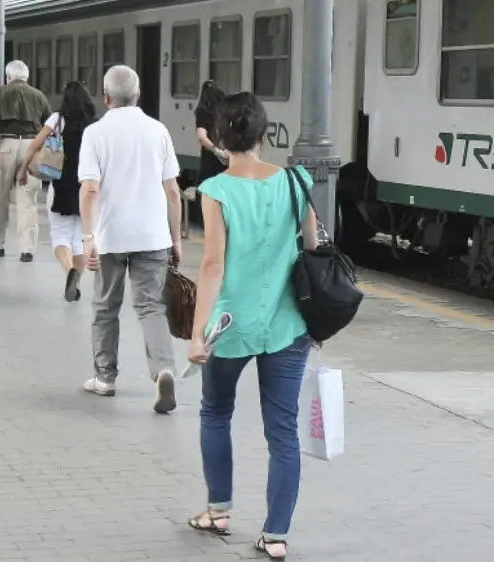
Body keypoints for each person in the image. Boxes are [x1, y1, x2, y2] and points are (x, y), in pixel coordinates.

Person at [185, 92, 319, 561]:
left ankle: (218, 512)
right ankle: (276, 535)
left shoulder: (216, 190)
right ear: (264, 133)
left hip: (231, 325)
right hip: (287, 324)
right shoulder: (297, 181)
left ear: (221, 138)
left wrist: (198, 331)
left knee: (215, 413)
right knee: (282, 430)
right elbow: (313, 246)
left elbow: (213, 265)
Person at [77, 65, 183, 414]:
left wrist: (88, 237)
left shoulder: (95, 133)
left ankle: (104, 378)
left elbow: (89, 188)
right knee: (151, 306)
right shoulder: (158, 131)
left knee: (106, 306)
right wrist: (176, 238)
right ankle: (164, 369)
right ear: (138, 95)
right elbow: (172, 191)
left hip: (110, 234)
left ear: (105, 98)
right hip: (152, 234)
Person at [18, 81, 96, 302]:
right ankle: (76, 283)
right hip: (86, 186)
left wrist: (23, 169)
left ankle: (69, 270)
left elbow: (34, 145)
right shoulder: (94, 124)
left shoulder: (57, 119)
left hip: (61, 184)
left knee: (60, 235)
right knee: (81, 238)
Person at [0, 60, 51, 262]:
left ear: (8, 76)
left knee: (0, 197)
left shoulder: (2, 92)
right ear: (27, 77)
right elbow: (50, 123)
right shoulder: (39, 95)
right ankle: (27, 249)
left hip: (7, 144)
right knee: (28, 200)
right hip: (32, 146)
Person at [194, 80, 228, 186]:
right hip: (225, 159)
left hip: (211, 160)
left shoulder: (203, 112)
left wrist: (217, 151)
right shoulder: (224, 113)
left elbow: (202, 137)